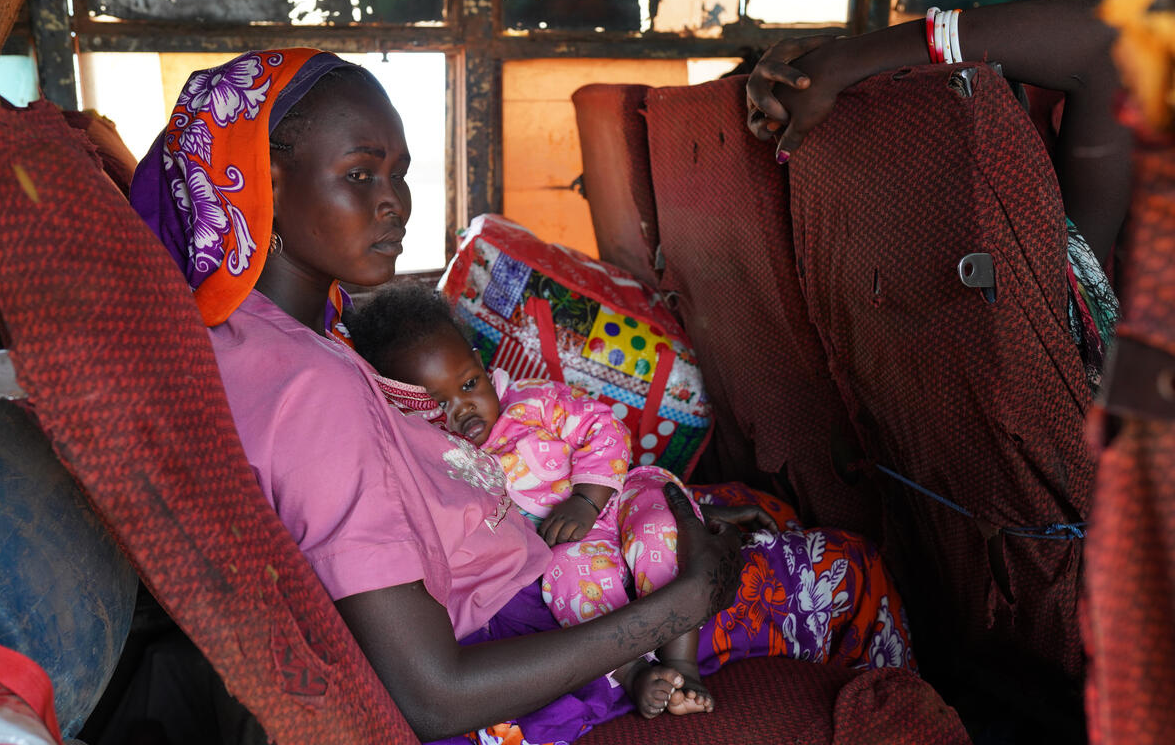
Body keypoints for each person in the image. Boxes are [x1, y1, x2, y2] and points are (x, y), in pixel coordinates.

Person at [128, 47, 915, 744]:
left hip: (531, 562)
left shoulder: (268, 339)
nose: (394, 199)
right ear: (261, 185)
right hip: (524, 632)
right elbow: (435, 695)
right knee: (851, 570)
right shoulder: (310, 390)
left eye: (398, 172)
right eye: (359, 174)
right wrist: (682, 602)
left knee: (746, 509)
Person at [347, 281, 716, 717]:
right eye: (438, 403)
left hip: (620, 494)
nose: (463, 408)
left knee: (659, 533)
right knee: (567, 582)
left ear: (483, 367)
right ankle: (635, 673)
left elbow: (605, 428)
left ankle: (681, 664)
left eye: (469, 384)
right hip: (572, 543)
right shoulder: (447, 464)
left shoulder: (532, 401)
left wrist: (587, 499)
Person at [744, 0, 1126, 390]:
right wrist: (836, 65)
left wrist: (844, 60)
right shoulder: (1059, 324)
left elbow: (1115, 44)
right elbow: (1114, 45)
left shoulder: (1055, 344)